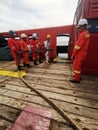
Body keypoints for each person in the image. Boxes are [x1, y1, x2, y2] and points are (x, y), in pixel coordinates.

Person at [70, 19, 90, 83]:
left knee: (76, 66)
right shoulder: (87, 33)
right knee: (78, 65)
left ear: (83, 26)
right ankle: (78, 76)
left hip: (79, 53)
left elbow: (77, 47)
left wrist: (73, 55)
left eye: (79, 27)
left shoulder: (82, 35)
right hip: (83, 53)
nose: (78, 29)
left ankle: (76, 79)